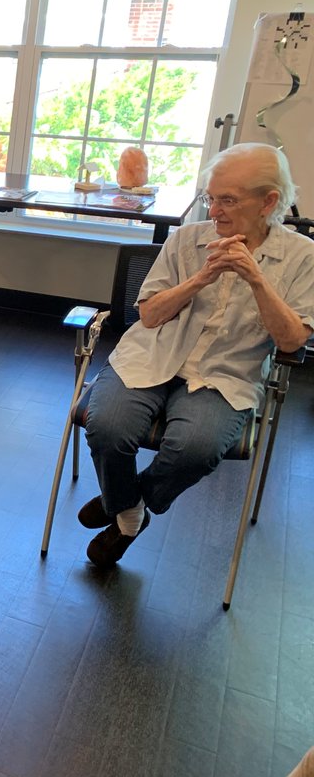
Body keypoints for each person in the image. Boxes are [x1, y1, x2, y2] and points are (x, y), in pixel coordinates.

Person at [79, 143, 314, 567]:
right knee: (108, 427)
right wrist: (201, 279)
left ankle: (127, 503)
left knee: (197, 448)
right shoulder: (187, 239)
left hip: (226, 372)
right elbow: (149, 315)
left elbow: (291, 341)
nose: (215, 210)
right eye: (210, 197)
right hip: (153, 354)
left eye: (228, 200)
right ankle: (130, 514)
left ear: (269, 202)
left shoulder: (303, 257)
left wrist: (258, 281)